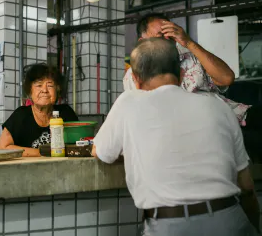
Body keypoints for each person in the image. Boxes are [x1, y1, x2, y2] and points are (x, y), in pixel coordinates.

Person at [93, 38, 260, 236]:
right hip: (230, 221)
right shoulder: (219, 107)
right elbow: (247, 187)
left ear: (135, 80)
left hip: (169, 227)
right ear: (181, 75)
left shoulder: (129, 101)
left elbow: (101, 152)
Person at [123, 13, 255, 128]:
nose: (168, 39)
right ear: (143, 42)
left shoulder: (192, 56)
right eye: (161, 36)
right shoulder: (135, 74)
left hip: (222, 121)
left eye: (171, 34)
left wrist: (189, 42)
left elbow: (227, 78)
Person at [0, 63, 78, 157]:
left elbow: (80, 144)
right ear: (30, 91)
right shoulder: (21, 115)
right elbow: (2, 148)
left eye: (50, 85)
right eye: (39, 85)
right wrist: (42, 153)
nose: (44, 90)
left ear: (57, 90)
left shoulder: (66, 113)